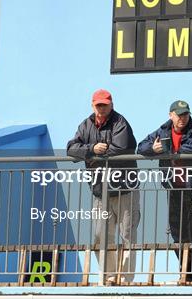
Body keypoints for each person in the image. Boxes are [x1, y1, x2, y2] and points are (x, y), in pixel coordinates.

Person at [66, 89, 140, 285]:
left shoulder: (120, 122)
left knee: (127, 235)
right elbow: (71, 148)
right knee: (101, 235)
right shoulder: (85, 125)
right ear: (92, 105)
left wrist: (92, 156)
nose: (101, 108)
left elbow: (120, 148)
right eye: (98, 105)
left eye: (105, 104)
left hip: (125, 188)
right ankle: (108, 276)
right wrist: (92, 149)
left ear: (111, 104)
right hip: (100, 191)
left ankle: (125, 278)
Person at [137, 100, 192, 282]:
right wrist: (154, 149)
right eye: (179, 115)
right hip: (174, 188)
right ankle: (185, 272)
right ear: (171, 115)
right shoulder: (163, 130)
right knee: (178, 232)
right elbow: (141, 147)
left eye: (185, 114)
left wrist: (170, 149)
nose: (182, 118)